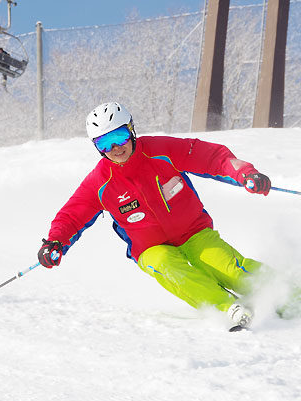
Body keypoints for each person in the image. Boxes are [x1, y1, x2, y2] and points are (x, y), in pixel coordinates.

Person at [36, 102, 273, 330]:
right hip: (150, 247)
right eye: (104, 143)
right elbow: (72, 215)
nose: (115, 148)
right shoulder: (100, 182)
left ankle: (288, 293)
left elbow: (211, 157)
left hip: (193, 231)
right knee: (167, 266)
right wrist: (55, 242)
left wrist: (245, 174)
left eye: (119, 137)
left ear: (131, 131)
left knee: (230, 269)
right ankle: (226, 309)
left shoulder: (161, 151)